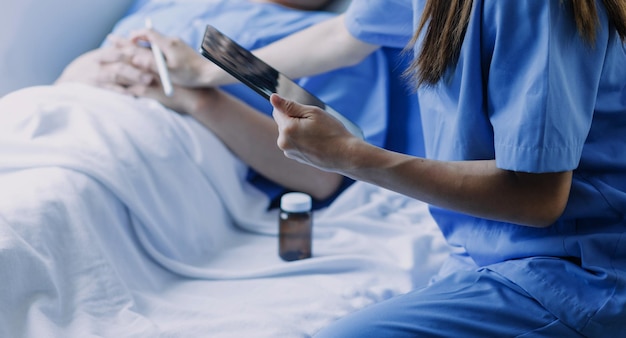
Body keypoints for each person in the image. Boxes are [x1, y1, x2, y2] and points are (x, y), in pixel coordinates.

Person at [163, 0, 626, 336]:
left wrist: (350, 157)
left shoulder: (535, 9)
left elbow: (538, 198)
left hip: (573, 274)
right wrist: (205, 72)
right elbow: (343, 36)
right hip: (484, 248)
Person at [54, 0, 390, 211]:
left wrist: (197, 99)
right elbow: (68, 83)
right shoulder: (162, 5)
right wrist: (91, 67)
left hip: (149, 151)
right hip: (63, 114)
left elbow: (322, 176)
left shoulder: (327, 43)